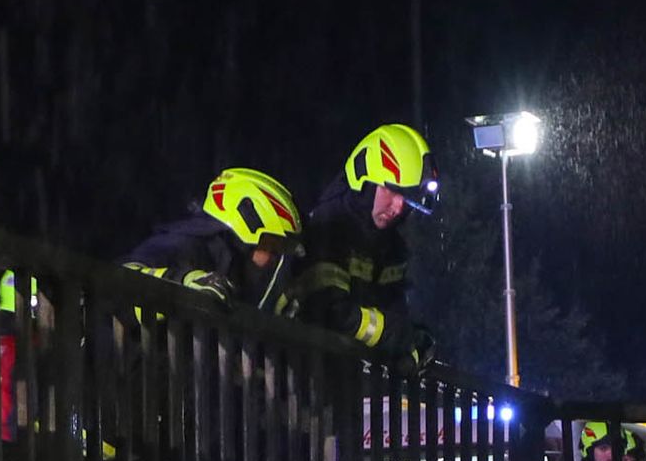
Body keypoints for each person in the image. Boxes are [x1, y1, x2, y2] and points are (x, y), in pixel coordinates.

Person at [285, 122, 429, 354]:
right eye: (391, 190)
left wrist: (415, 342)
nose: (398, 207)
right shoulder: (329, 227)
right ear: (365, 181)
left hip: (351, 379)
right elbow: (329, 312)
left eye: (408, 199)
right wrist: (392, 334)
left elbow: (396, 312)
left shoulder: (392, 248)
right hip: (308, 370)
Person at [124, 167, 299, 311]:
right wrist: (185, 282)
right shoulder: (187, 244)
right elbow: (124, 274)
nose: (275, 258)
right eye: (272, 245)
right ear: (247, 229)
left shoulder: (236, 271)